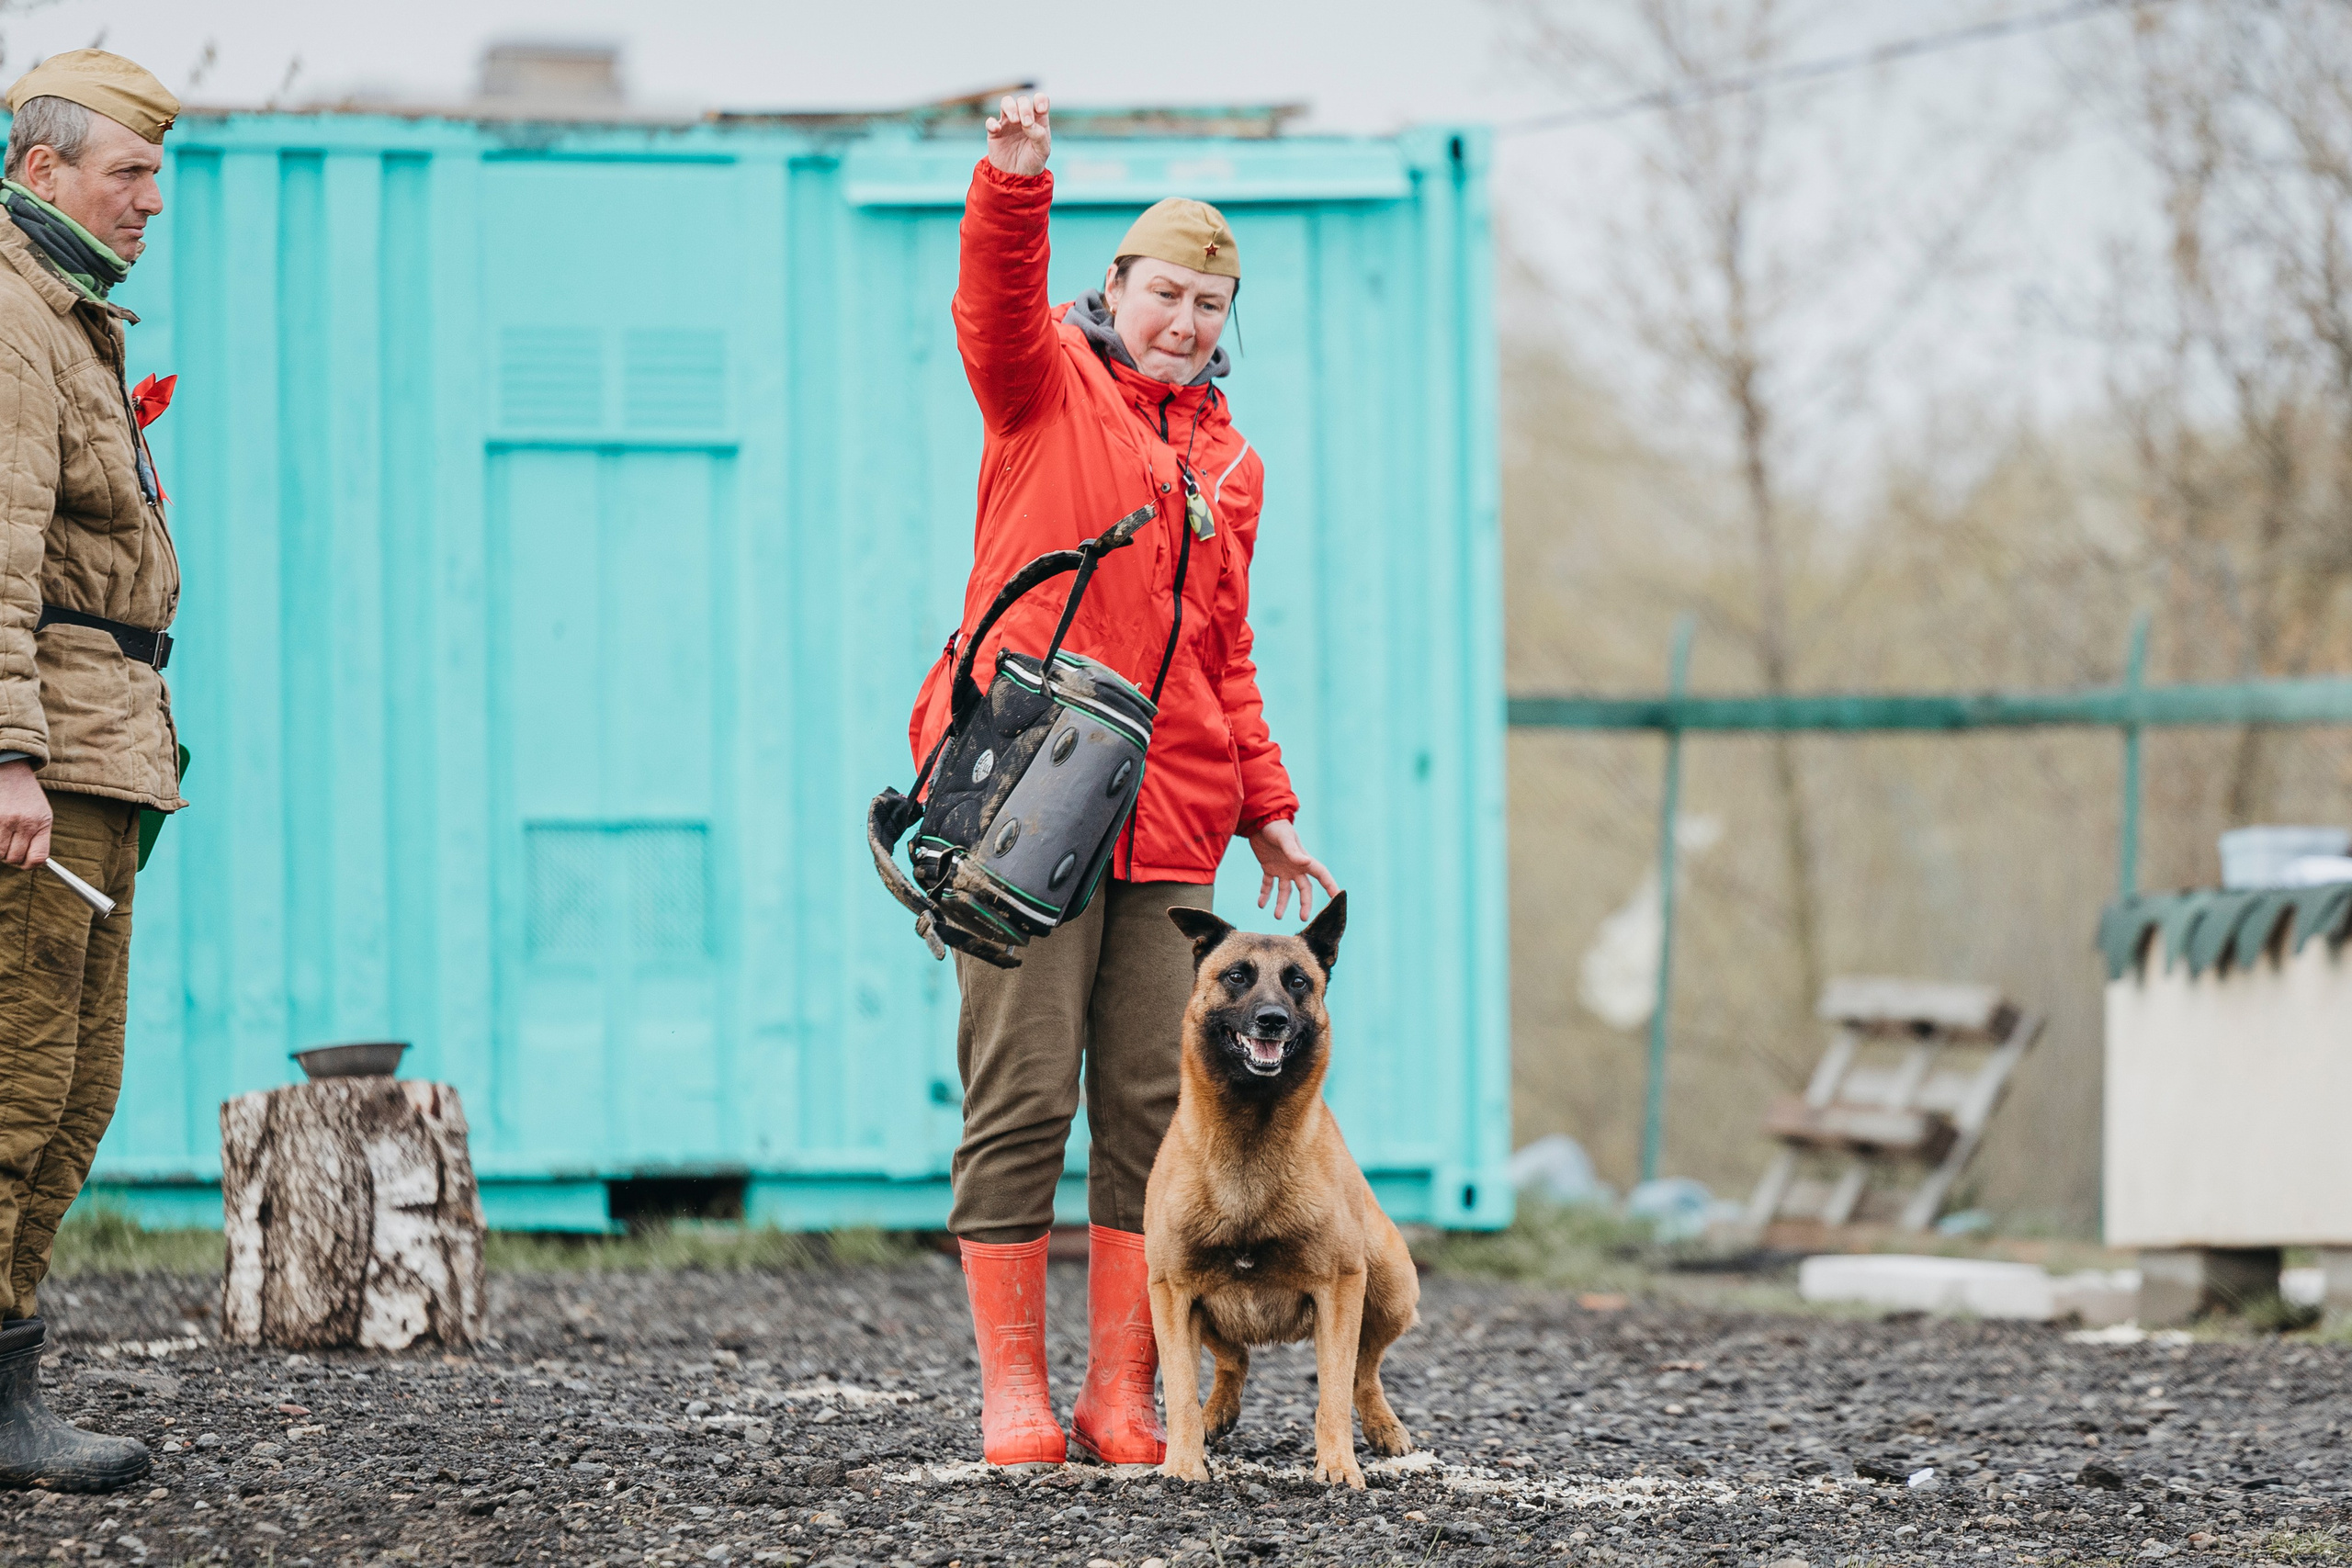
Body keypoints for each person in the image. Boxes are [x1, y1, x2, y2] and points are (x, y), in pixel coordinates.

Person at [907, 93, 1338, 1468]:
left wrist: (1263, 798)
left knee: (1155, 1112)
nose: (1188, 321)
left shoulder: (1232, 461)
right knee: (1023, 1095)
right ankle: (1014, 1398)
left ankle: (1120, 1396)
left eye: (1211, 302)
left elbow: (1226, 645)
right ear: (1116, 289)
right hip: (1025, 809)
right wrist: (1013, 179)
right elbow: (993, 299)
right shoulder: (1042, 387)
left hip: (1172, 822)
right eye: (1166, 293)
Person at [0, 50, 184, 1495]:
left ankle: (10, 1397)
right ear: (42, 167)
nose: (151, 201)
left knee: (75, 1090)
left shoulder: (73, 324)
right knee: (17, 1085)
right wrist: (7, 755)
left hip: (103, 757)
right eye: (129, 172)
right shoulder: (12, 320)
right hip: (43, 767)